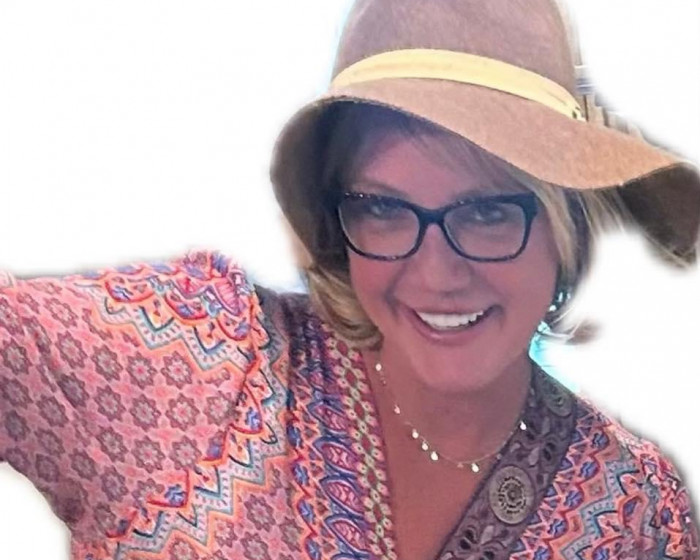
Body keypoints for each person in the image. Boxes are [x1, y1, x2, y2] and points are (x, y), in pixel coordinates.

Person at [1, 1, 698, 559]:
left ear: (566, 222)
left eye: (487, 212)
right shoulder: (200, 363)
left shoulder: (630, 511)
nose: (436, 273)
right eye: (384, 210)